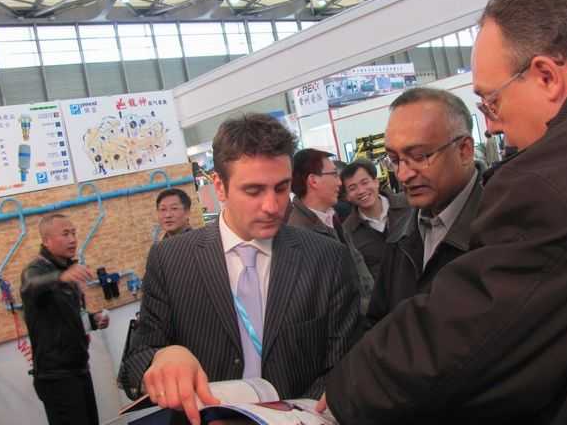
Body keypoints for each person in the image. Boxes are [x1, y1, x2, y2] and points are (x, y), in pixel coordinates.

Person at [322, 0, 567, 424]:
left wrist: (348, 390)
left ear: (546, 76)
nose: (492, 125)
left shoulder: (551, 179)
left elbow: (475, 330)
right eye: (394, 159)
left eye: (492, 101)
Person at [121, 114, 359, 425]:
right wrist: (163, 358)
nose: (272, 206)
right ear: (220, 187)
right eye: (253, 191)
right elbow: (137, 358)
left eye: (281, 188)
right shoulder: (171, 259)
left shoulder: (327, 258)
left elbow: (344, 363)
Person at [363, 88, 483, 329]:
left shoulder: (503, 225)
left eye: (419, 156)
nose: (403, 175)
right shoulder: (400, 235)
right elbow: (380, 324)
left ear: (464, 150)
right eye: (394, 160)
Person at [20, 214, 109, 425]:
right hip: (56, 377)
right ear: (46, 240)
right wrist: (59, 278)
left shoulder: (67, 270)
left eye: (74, 233)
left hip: (79, 369)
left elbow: (66, 317)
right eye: (65, 234)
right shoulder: (35, 270)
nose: (72, 239)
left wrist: (92, 320)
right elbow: (30, 285)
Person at [287, 148, 374, 313]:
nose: (340, 183)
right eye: (334, 175)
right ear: (313, 181)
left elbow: (357, 264)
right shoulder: (299, 235)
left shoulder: (331, 217)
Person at [340, 158, 410, 281]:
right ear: (347, 197)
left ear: (376, 182)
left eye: (365, 182)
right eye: (352, 188)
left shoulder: (408, 204)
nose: (361, 191)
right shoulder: (348, 231)